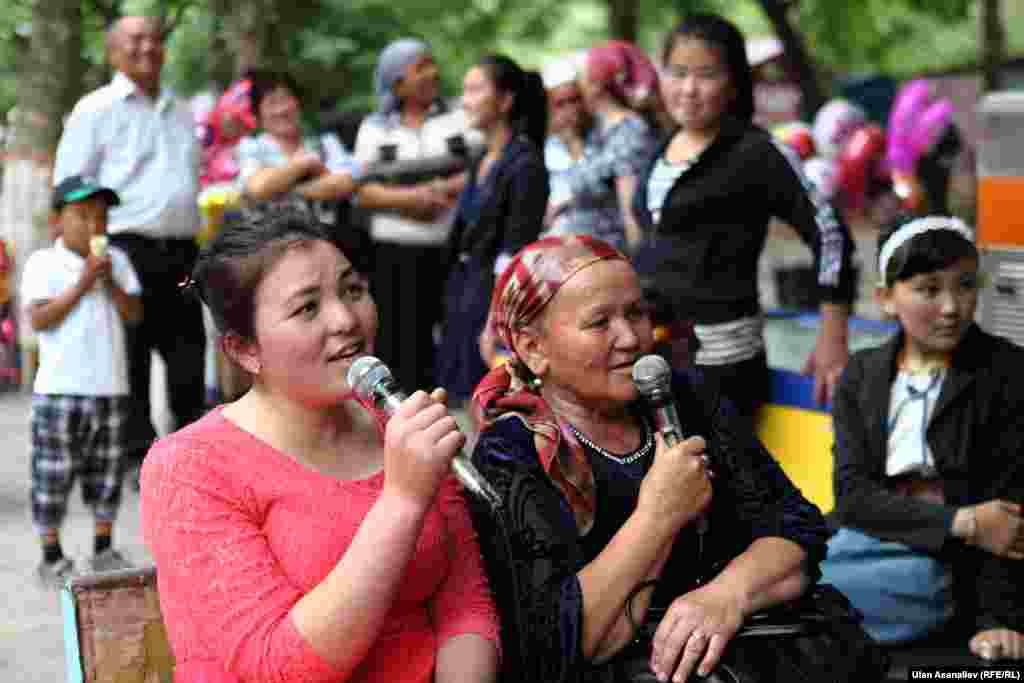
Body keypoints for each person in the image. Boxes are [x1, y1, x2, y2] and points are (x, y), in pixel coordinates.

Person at [140, 203, 500, 682]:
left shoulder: (396, 421)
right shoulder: (188, 467)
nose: (346, 320)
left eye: (352, 290)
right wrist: (402, 499)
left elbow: (465, 606)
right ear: (244, 349)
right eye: (307, 307)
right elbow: (280, 667)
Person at [466, 235, 829, 682]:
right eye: (599, 322)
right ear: (533, 348)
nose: (631, 338)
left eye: (636, 313)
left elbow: (796, 529)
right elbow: (560, 644)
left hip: (750, 647)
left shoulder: (687, 397)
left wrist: (724, 597)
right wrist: (660, 512)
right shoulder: (510, 453)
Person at [633, 14, 857, 419]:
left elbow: (831, 234)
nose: (688, 89)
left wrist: (833, 338)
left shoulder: (755, 153)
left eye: (706, 75)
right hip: (657, 361)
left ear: (734, 82)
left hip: (724, 368)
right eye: (677, 72)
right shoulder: (660, 151)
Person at [821, 215, 1024, 662]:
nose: (952, 307)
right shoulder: (861, 375)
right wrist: (964, 521)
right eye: (929, 290)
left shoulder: (1007, 374)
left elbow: (1007, 517)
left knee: (813, 590)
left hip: (947, 565)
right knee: (783, 564)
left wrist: (999, 619)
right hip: (865, 541)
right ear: (886, 299)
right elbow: (852, 495)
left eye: (965, 286)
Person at [53, 15, 206, 478]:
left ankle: (191, 456)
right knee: (132, 357)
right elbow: (70, 187)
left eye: (155, 39)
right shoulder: (95, 109)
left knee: (188, 355)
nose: (148, 47)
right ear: (113, 51)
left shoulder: (182, 110)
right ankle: (140, 459)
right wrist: (93, 253)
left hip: (182, 250)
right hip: (123, 248)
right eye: (135, 39)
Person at [22, 176, 143, 585]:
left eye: (102, 216)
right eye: (83, 215)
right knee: (53, 474)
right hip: (59, 389)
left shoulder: (118, 262)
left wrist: (107, 281)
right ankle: (51, 555)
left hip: (110, 385)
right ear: (58, 221)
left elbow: (135, 316)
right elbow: (40, 319)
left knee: (106, 472)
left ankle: (103, 547)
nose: (94, 224)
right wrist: (84, 282)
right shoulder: (43, 263)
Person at [354, 38, 479, 392]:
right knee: (401, 337)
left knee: (456, 331)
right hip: (395, 253)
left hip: (453, 249)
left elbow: (484, 166)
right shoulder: (375, 128)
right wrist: (412, 199)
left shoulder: (460, 118)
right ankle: (404, 413)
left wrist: (446, 190)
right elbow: (361, 189)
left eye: (431, 64)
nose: (432, 73)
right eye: (420, 67)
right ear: (397, 81)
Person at [436, 54, 549, 406]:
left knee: (487, 400)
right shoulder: (482, 159)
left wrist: (495, 321)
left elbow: (516, 250)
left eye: (474, 90)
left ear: (505, 100)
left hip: (491, 297)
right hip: (464, 290)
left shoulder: (525, 164)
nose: (465, 100)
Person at [546, 41, 660, 250]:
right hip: (586, 252)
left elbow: (631, 212)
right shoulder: (600, 130)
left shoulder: (628, 131)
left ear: (596, 83)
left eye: (585, 75)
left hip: (611, 255)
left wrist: (637, 267)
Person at [239, 70, 360, 211]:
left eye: (285, 99)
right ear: (258, 115)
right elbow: (258, 188)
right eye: (272, 103)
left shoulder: (325, 143)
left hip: (325, 231)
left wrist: (283, 189)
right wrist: (304, 164)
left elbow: (345, 184)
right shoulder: (252, 147)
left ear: (298, 103)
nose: (281, 110)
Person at [540, 53, 589, 237]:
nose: (570, 109)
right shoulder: (544, 145)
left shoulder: (598, 139)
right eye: (561, 103)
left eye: (574, 100)